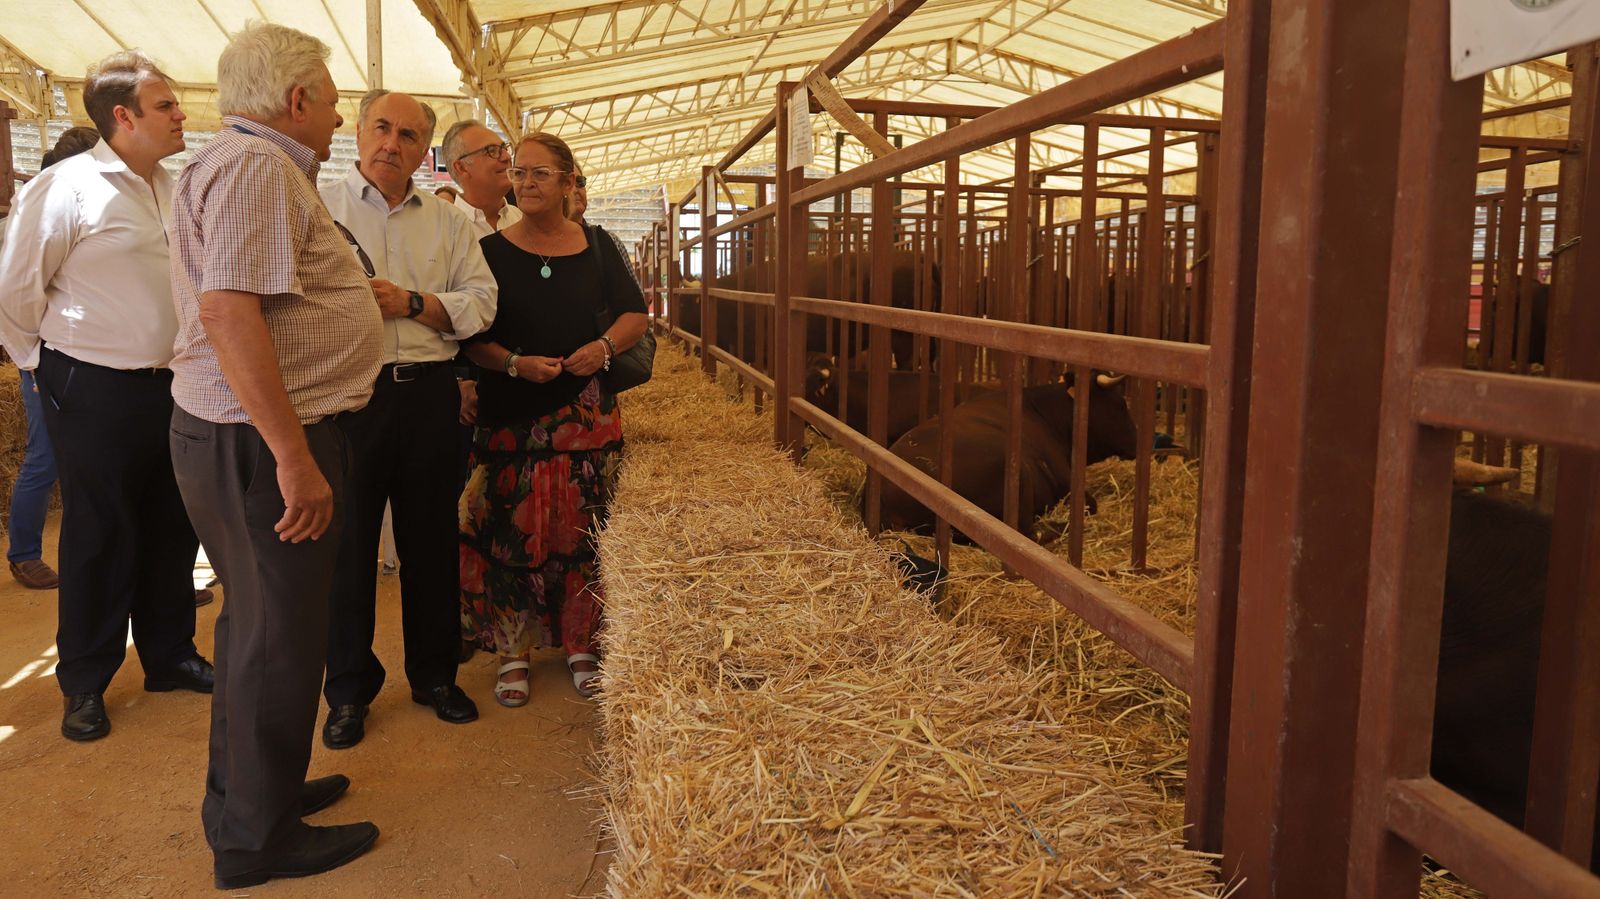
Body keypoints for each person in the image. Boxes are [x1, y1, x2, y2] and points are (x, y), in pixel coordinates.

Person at [166, 22, 382, 887]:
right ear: (297, 100)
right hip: (260, 441)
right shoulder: (258, 166)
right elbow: (228, 309)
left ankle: (253, 798)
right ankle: (259, 839)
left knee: (255, 626)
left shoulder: (234, 161)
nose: (338, 120)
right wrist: (293, 456)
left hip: (234, 433)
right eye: (332, 103)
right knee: (278, 638)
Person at [0, 53, 213, 743]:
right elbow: (15, 291)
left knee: (172, 523)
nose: (181, 114)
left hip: (174, 384)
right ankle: (85, 680)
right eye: (166, 105)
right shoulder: (65, 187)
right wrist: (40, 366)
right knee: (97, 532)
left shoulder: (176, 186)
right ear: (123, 116)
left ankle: (170, 654)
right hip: (91, 385)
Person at [317, 89, 495, 749]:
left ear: (427, 152)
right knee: (347, 550)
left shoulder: (450, 222)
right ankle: (347, 691)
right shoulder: (318, 210)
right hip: (347, 398)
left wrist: (412, 302)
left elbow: (482, 304)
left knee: (430, 543)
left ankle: (435, 676)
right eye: (383, 128)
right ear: (358, 132)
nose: (393, 144)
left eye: (410, 135)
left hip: (427, 396)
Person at [460, 132, 648, 704]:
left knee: (582, 533)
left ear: (568, 183)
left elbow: (635, 315)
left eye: (540, 173)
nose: (526, 183)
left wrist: (603, 348)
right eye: (519, 172)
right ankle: (513, 652)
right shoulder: (488, 252)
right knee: (509, 534)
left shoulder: (597, 245)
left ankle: (580, 643)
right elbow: (470, 336)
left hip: (585, 418)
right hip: (511, 419)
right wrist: (513, 364)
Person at [5, 126, 97, 591]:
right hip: (50, 357)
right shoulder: (40, 211)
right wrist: (32, 361)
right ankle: (23, 553)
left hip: (94, 359)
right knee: (47, 456)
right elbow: (15, 296)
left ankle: (132, 568)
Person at [567, 160, 639, 288]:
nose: (576, 189)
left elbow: (634, 295)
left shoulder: (611, 242)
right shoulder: (542, 245)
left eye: (580, 182)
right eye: (568, 183)